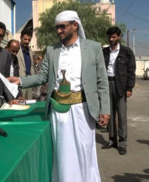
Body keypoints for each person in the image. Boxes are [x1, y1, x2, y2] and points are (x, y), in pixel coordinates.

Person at [8, 10, 110, 182]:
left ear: (75, 25)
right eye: (57, 27)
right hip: (59, 111)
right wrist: (20, 80)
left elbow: (102, 81)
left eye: (62, 27)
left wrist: (104, 109)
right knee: (63, 153)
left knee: (85, 150)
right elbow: (42, 77)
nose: (59, 31)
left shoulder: (93, 47)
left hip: (83, 109)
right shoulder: (52, 50)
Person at [101, 26, 136, 155]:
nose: (111, 39)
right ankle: (112, 140)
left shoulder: (126, 52)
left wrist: (129, 88)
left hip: (120, 85)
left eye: (114, 37)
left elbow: (131, 71)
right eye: (110, 37)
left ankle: (122, 142)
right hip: (106, 84)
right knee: (108, 113)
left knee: (121, 115)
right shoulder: (104, 52)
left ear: (119, 37)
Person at [17, 29, 36, 100]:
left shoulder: (30, 51)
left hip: (29, 80)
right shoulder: (16, 49)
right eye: (25, 39)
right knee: (20, 103)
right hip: (19, 80)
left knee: (29, 102)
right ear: (21, 38)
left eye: (29, 40)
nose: (27, 41)